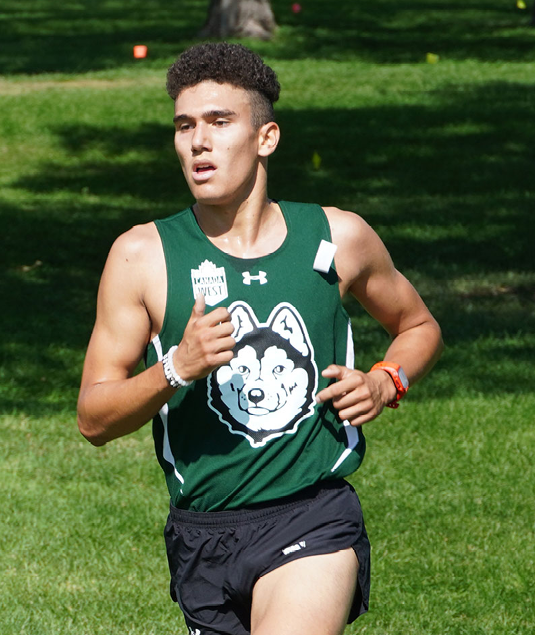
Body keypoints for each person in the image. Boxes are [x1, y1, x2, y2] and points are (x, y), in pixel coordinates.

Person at [77, 42, 443, 635]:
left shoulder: (337, 237)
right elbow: (93, 417)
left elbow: (419, 326)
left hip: (312, 515)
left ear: (266, 137)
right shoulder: (142, 256)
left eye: (220, 123)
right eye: (184, 126)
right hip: (202, 533)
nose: (199, 142)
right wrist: (176, 368)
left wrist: (387, 380)